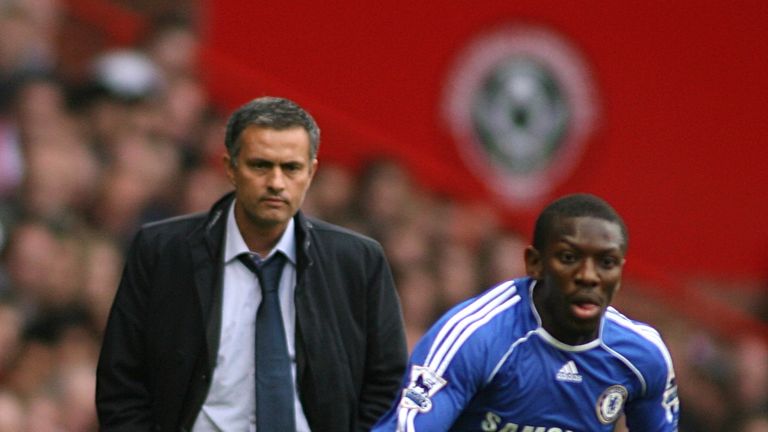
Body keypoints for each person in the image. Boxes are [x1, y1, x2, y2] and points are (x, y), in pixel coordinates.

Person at [96, 96, 408, 431]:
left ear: (311, 172)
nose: (276, 182)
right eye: (260, 165)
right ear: (230, 167)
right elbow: (122, 382)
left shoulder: (357, 262)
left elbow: (387, 388)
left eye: (291, 168)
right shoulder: (163, 251)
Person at [373, 193, 680, 431]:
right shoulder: (476, 337)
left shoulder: (643, 355)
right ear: (535, 263)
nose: (589, 275)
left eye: (606, 263)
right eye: (569, 257)